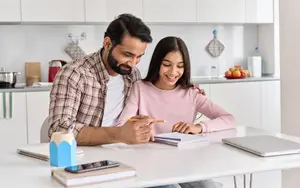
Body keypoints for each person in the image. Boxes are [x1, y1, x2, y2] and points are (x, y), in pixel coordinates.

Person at [116, 36, 235, 188]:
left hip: (184, 165)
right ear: (157, 63)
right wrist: (138, 125)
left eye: (180, 66)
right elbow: (121, 126)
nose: (173, 72)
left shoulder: (192, 93)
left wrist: (198, 127)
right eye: (167, 64)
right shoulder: (140, 88)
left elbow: (229, 119)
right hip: (151, 165)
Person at [47, 14, 156, 145]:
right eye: (127, 54)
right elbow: (59, 129)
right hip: (83, 156)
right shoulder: (74, 74)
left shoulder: (132, 75)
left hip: (122, 150)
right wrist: (119, 134)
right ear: (107, 43)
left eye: (139, 57)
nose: (133, 63)